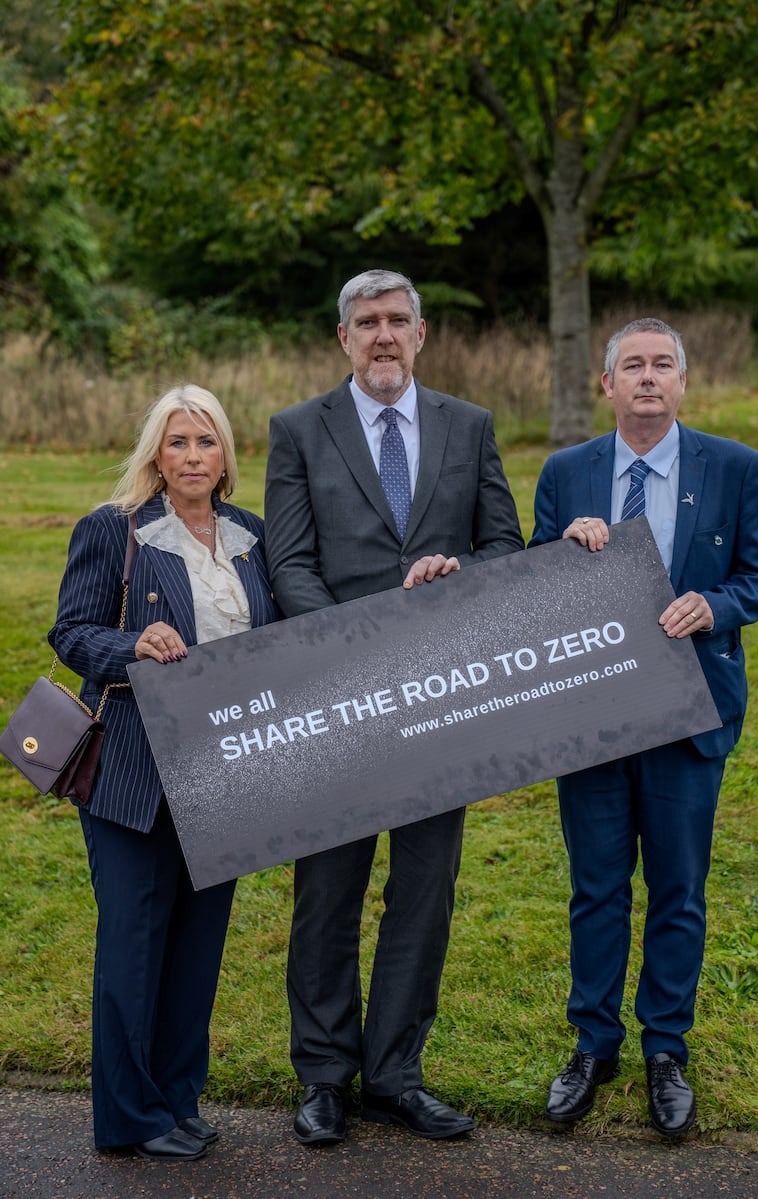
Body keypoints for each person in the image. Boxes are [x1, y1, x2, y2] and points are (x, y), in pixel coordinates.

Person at [264, 268, 524, 1144]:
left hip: (441, 700)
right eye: (366, 321)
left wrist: (464, 576)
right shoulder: (299, 430)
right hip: (338, 701)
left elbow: (504, 546)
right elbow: (289, 563)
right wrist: (352, 648)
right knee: (326, 892)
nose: (382, 334)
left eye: (396, 320)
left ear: (421, 333)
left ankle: (398, 1075)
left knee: (424, 892)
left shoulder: (469, 425)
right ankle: (325, 1076)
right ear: (343, 337)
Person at [529, 317, 758, 1136]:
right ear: (606, 384)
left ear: (683, 381)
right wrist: (562, 548)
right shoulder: (568, 471)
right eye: (632, 365)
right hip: (595, 714)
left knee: (678, 888)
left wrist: (715, 604)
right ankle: (592, 1043)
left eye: (662, 364)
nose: (648, 377)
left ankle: (666, 1048)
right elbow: (530, 577)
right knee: (596, 887)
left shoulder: (734, 467)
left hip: (690, 714)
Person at [49, 384, 278, 1161]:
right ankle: (127, 1116)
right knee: (133, 944)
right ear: (156, 451)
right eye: (177, 441)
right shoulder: (114, 532)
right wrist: (132, 645)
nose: (191, 456)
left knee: (195, 948)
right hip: (134, 772)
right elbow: (71, 630)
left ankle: (177, 1099)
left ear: (225, 456)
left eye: (205, 442)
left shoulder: (251, 534)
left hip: (224, 771)